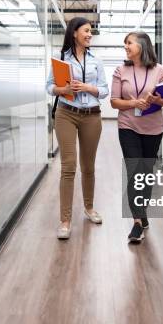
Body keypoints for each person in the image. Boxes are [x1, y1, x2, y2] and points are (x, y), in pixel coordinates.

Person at [46, 17, 109, 240]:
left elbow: (104, 90)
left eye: (91, 31)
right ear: (74, 33)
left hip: (92, 116)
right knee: (68, 165)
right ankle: (65, 220)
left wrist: (87, 87)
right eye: (86, 31)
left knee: (88, 166)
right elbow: (49, 87)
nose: (90, 34)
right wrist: (62, 89)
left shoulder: (96, 61)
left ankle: (89, 208)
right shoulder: (60, 58)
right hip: (66, 114)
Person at [110, 32, 163, 243]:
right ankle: (137, 221)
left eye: (129, 42)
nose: (126, 46)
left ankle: (142, 211)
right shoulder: (121, 70)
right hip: (128, 126)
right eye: (125, 43)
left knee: (146, 174)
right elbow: (114, 101)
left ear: (142, 45)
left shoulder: (160, 70)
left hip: (153, 128)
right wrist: (134, 103)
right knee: (134, 171)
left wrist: (159, 99)